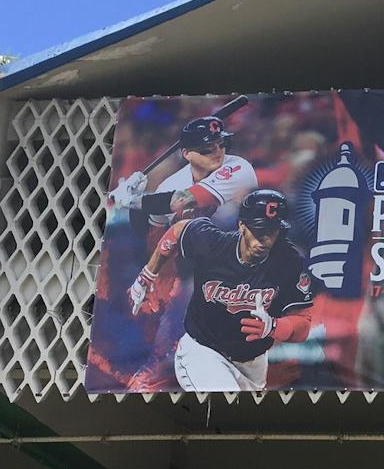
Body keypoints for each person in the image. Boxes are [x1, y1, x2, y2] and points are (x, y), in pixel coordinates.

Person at [129, 189, 318, 391]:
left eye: (272, 231)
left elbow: (303, 325)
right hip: (203, 351)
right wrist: (148, 274)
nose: (265, 239)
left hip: (253, 364)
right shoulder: (213, 244)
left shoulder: (289, 261)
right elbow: (179, 230)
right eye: (258, 229)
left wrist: (274, 327)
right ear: (242, 225)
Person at [109, 115, 258, 230]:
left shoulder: (238, 167)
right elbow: (148, 234)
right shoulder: (171, 184)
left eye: (222, 144)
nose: (218, 152)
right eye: (207, 148)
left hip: (242, 249)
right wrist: (136, 205)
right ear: (187, 154)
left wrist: (131, 200)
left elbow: (180, 201)